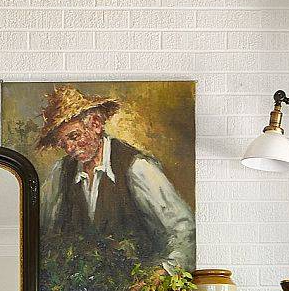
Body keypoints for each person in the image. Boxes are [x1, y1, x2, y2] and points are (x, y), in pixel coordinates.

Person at [36, 85, 195, 268]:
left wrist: (163, 272)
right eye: (62, 143)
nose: (69, 148)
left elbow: (183, 231)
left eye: (74, 136)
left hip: (136, 285)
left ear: (96, 124)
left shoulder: (137, 168)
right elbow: (43, 233)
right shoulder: (61, 173)